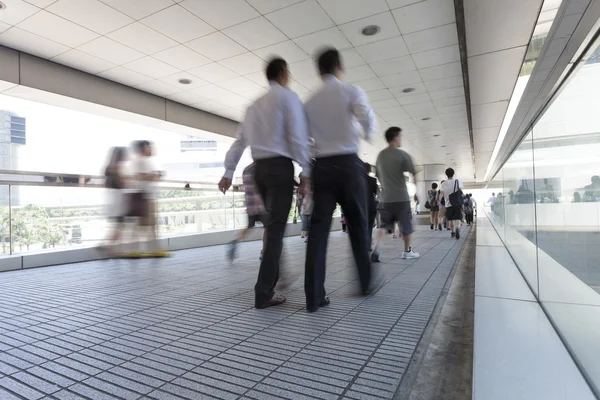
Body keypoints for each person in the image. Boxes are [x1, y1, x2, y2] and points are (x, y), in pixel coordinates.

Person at [218, 57, 311, 310]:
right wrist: (307, 170)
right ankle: (264, 292)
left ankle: (272, 282)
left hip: (259, 171)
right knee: (275, 233)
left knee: (272, 228)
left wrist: (228, 171)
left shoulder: (253, 106)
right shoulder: (288, 97)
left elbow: (239, 141)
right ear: (283, 72)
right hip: (280, 168)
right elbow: (298, 137)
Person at [303, 47, 378, 313]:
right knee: (358, 226)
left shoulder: (309, 102)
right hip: (348, 165)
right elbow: (367, 117)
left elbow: (304, 140)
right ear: (339, 66)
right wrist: (366, 133)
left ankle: (313, 296)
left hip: (321, 167)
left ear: (318, 69)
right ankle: (365, 284)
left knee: (318, 232)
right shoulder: (351, 91)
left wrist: (308, 166)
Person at [371, 127, 420, 263]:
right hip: (401, 198)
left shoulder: (380, 155)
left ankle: (377, 247)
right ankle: (407, 251)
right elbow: (414, 173)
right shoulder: (402, 154)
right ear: (396, 138)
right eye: (400, 137)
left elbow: (379, 176)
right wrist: (416, 193)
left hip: (385, 199)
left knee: (383, 225)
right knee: (406, 226)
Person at [128, 140, 170, 257]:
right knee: (145, 224)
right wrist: (156, 175)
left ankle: (151, 248)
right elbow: (139, 176)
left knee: (149, 224)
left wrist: (155, 175)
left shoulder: (143, 161)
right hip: (144, 196)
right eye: (149, 147)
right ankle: (141, 249)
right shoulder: (140, 161)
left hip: (146, 195)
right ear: (143, 148)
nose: (152, 149)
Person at [227, 163, 266, 262]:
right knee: (269, 228)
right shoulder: (261, 169)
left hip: (250, 204)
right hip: (262, 204)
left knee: (249, 226)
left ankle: (235, 241)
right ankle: (264, 250)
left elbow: (246, 187)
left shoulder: (246, 169)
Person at [100, 146, 129, 257]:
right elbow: (123, 184)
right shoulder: (118, 168)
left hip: (111, 200)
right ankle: (107, 247)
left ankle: (108, 247)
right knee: (120, 225)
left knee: (118, 226)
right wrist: (127, 180)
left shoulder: (108, 167)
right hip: (118, 201)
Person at [441, 168, 463, 239]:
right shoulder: (457, 181)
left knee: (450, 219)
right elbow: (460, 192)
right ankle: (457, 228)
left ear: (446, 174)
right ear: (453, 174)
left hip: (448, 203)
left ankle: (453, 232)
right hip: (457, 203)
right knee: (458, 218)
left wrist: (439, 202)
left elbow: (441, 193)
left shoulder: (443, 183)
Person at [365, 162, 378, 250]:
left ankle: (362, 244)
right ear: (369, 170)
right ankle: (368, 244)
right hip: (371, 206)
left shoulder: (356, 179)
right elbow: (377, 192)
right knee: (369, 227)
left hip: (360, 207)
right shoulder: (372, 180)